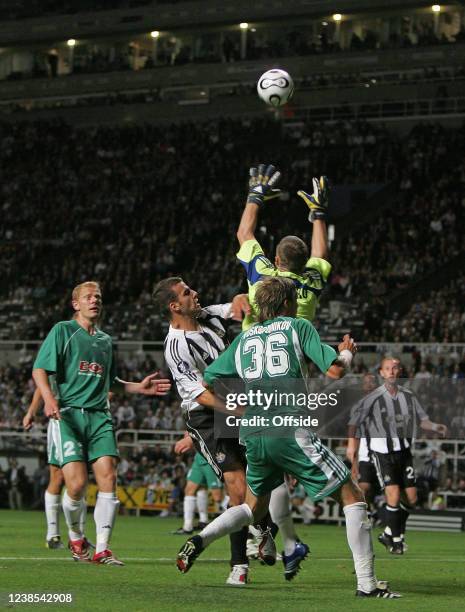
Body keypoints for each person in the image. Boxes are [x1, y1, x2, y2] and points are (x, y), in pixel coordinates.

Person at [176, 277, 399, 598]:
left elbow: (208, 379)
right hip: (288, 427)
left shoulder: (244, 339)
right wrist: (347, 352)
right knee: (353, 496)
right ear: (286, 304)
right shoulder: (298, 327)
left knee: (253, 506)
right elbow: (335, 370)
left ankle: (201, 539)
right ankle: (367, 584)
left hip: (252, 431)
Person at [32, 280, 171, 565]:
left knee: (108, 476)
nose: (95, 300)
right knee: (77, 486)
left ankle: (103, 549)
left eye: (98, 296)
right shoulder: (63, 331)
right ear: (76, 304)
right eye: (88, 297)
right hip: (68, 415)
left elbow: (111, 383)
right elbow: (39, 370)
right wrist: (48, 399)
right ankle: (75, 537)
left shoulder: (106, 341)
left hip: (99, 416)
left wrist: (139, 387)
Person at [236, 164, 331, 567]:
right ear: (301, 261)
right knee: (276, 468)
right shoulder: (308, 285)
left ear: (275, 257)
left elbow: (244, 235)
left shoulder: (262, 279)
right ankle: (278, 539)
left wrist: (255, 196)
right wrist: (318, 214)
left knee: (259, 468)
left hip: (251, 379)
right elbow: (321, 254)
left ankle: (266, 535)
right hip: (293, 386)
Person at [153, 277, 274, 586]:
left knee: (259, 479)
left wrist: (240, 298)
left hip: (233, 401)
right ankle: (240, 562)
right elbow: (199, 394)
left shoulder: (205, 315)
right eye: (187, 292)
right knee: (237, 488)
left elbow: (235, 307)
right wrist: (239, 411)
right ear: (174, 305)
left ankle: (260, 533)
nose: (195, 293)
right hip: (206, 416)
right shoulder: (176, 345)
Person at [347, 357, 448, 554]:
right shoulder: (372, 399)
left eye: (395, 368)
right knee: (392, 494)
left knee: (411, 498)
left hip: (404, 452)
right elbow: (354, 423)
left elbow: (423, 421)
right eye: (387, 369)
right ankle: (395, 540)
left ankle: (388, 531)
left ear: (399, 371)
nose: (392, 372)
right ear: (382, 373)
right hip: (382, 452)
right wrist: (352, 448)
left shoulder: (409, 396)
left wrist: (435, 426)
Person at [172, 434, 223, 534]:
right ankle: (189, 526)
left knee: (217, 497)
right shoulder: (189, 418)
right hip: (199, 456)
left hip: (211, 456)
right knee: (190, 490)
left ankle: (245, 522)